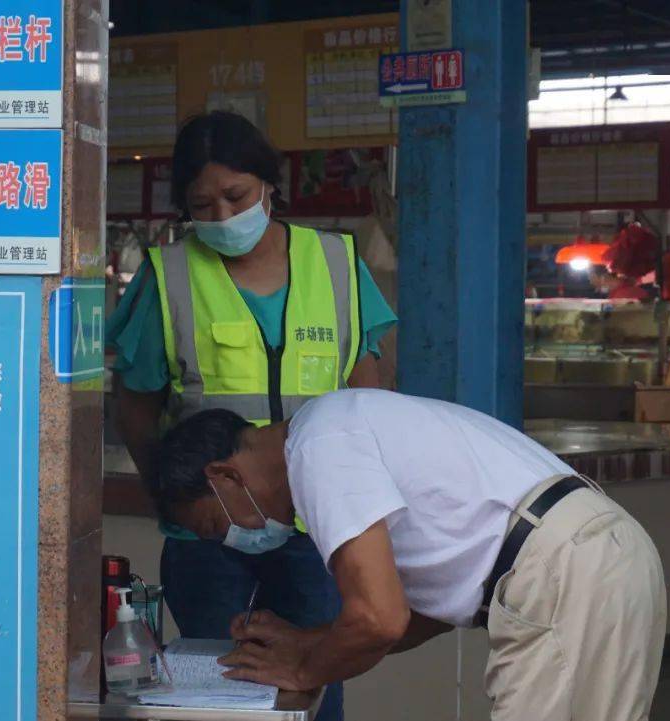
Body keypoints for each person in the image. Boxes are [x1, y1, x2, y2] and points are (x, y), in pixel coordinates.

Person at [106, 111, 397, 721]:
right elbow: (135, 404)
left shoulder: (338, 264)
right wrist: (175, 495)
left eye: (235, 196)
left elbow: (367, 393)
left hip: (317, 523)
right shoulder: (170, 276)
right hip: (209, 532)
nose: (221, 217)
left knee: (320, 674)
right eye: (201, 205)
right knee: (218, 682)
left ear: (269, 184)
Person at [149, 389, 668, 721]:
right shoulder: (336, 430)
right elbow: (425, 612)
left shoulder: (316, 449)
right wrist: (310, 641)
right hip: (599, 555)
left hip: (565, 567)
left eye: (217, 526)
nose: (232, 540)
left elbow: (380, 620)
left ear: (224, 476)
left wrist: (304, 673)